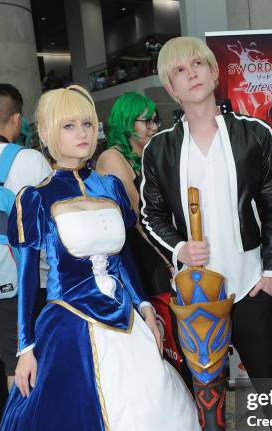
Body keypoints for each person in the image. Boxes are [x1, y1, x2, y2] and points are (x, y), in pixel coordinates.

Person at [0, 85, 211, 431]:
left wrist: (146, 306)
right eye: (70, 125)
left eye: (87, 123)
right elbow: (29, 277)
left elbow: (123, 258)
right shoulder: (35, 197)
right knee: (76, 425)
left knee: (152, 405)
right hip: (69, 321)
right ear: (48, 135)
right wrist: (24, 347)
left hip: (124, 319)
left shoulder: (109, 186)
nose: (83, 133)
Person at [140, 36, 272, 431]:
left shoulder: (253, 133)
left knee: (268, 378)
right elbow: (150, 216)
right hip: (194, 292)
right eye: (179, 71)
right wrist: (180, 248)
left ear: (214, 70)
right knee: (201, 387)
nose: (192, 74)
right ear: (170, 88)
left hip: (248, 283)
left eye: (197, 64)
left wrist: (271, 272)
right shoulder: (161, 148)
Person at [96, 93, 185, 373]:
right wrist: (171, 257)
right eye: (146, 121)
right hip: (135, 252)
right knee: (157, 324)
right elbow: (139, 217)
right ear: (126, 122)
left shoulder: (147, 154)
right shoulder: (112, 157)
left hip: (158, 245)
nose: (153, 127)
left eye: (155, 120)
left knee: (171, 324)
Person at [0, 84, 51, 391]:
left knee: (14, 362)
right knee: (44, 357)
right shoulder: (30, 160)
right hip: (36, 278)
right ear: (17, 119)